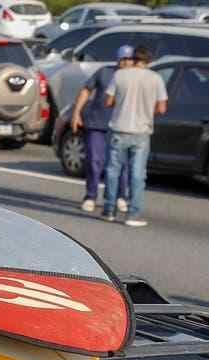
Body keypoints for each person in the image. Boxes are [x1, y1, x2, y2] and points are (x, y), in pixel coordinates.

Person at [102, 44, 168, 227]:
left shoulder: (120, 75)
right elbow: (162, 108)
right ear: (149, 60)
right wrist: (147, 110)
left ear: (134, 58)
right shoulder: (156, 79)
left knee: (112, 171)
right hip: (141, 132)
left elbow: (108, 101)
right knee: (137, 175)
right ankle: (133, 214)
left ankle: (109, 210)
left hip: (119, 128)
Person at [71, 44, 132, 214]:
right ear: (118, 59)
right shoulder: (105, 72)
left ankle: (120, 195)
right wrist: (76, 113)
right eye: (123, 59)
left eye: (129, 59)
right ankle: (90, 196)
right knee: (94, 161)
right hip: (97, 123)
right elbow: (85, 91)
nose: (126, 63)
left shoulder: (135, 77)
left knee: (121, 164)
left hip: (122, 126)